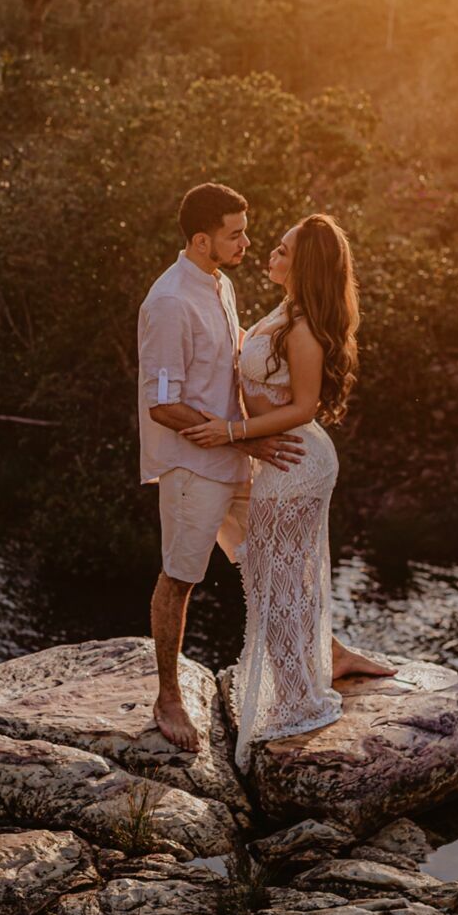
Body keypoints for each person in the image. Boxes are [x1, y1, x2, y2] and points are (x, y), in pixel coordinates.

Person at [180, 214, 396, 772]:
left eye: (281, 249)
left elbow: (303, 408)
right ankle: (322, 661)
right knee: (274, 571)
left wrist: (231, 433)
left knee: (277, 577)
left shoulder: (301, 328)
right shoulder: (285, 313)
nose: (268, 254)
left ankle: (298, 697)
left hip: (297, 459)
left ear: (303, 266)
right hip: (277, 456)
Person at [137, 183, 303, 752]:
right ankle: (168, 698)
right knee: (180, 579)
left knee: (273, 557)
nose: (247, 242)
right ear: (202, 239)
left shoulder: (221, 282)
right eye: (235, 233)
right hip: (193, 467)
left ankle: (312, 665)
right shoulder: (168, 302)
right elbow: (163, 403)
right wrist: (240, 438)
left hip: (235, 457)